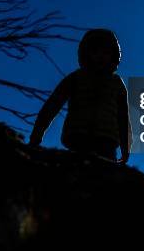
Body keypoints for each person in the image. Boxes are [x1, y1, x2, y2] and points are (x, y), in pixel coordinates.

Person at [29, 29, 132, 163]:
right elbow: (53, 104)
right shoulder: (76, 78)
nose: (101, 56)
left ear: (113, 55)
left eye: (106, 52)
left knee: (103, 177)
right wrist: (38, 132)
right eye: (96, 51)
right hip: (78, 136)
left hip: (106, 141)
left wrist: (126, 147)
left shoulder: (117, 83)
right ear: (87, 54)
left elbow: (123, 117)